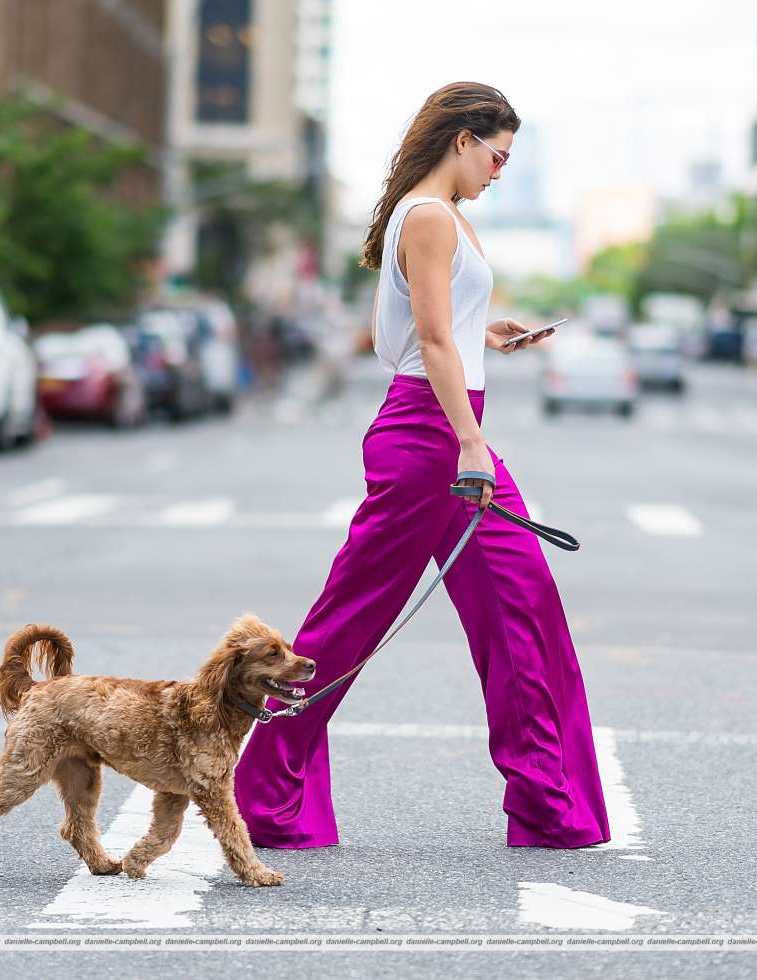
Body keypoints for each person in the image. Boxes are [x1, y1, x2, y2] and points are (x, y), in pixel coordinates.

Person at [232, 82, 612, 849]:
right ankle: (262, 796)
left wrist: (487, 333)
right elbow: (429, 344)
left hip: (444, 431)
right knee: (349, 620)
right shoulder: (431, 216)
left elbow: (432, 331)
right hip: (430, 441)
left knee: (521, 609)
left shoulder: (439, 216)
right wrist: (471, 440)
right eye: (497, 154)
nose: (501, 170)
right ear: (462, 140)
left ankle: (545, 804)